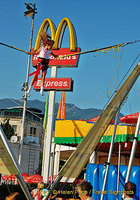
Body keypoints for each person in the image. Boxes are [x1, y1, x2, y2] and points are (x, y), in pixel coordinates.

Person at [26, 31, 58, 96]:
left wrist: (58, 56)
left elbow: (54, 56)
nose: (51, 48)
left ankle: (41, 89)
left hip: (46, 63)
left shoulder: (50, 51)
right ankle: (29, 88)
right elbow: (35, 53)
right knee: (35, 75)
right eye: (50, 46)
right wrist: (29, 53)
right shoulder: (42, 48)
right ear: (47, 45)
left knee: (43, 77)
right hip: (40, 62)